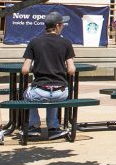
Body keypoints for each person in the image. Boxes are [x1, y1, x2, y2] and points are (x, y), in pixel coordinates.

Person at [21, 11, 76, 139]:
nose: (63, 27)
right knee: (54, 95)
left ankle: (33, 126)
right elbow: (71, 70)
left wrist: (37, 67)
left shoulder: (34, 42)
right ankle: (53, 128)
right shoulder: (66, 43)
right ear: (57, 26)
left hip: (39, 91)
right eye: (62, 24)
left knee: (26, 95)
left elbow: (24, 69)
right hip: (61, 92)